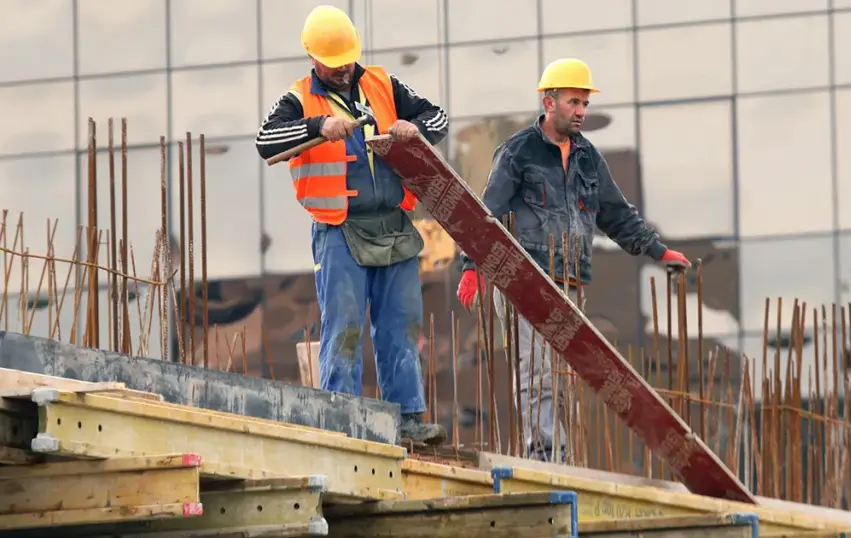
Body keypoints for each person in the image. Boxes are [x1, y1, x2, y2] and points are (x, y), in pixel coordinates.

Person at [455, 58, 690, 462]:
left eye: (584, 103)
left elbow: (617, 214)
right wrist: (470, 268)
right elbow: (485, 214)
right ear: (549, 102)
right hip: (524, 279)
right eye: (573, 102)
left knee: (562, 379)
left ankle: (561, 456)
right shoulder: (517, 152)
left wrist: (657, 250)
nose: (581, 111)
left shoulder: (587, 158)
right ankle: (546, 456)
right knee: (537, 374)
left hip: (569, 283)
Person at [255, 5, 447, 445]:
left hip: (393, 225)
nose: (342, 69)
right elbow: (266, 141)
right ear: (312, 57)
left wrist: (413, 128)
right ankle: (342, 422)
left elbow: (437, 117)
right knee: (344, 328)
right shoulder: (298, 98)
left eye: (346, 59)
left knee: (401, 327)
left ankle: (408, 419)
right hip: (339, 228)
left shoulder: (383, 84)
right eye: (333, 62)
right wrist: (318, 126)